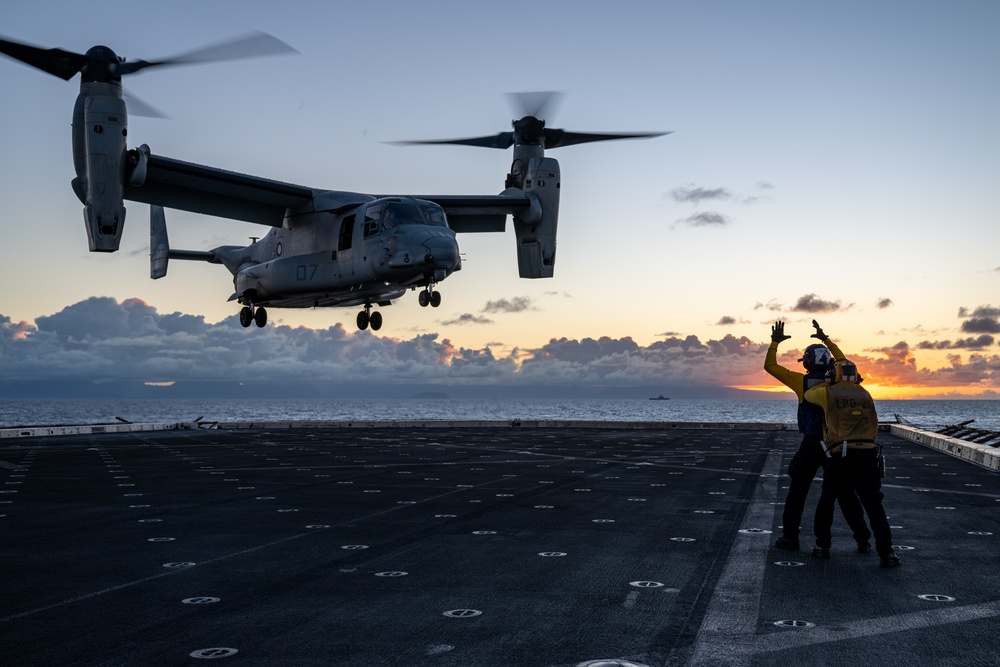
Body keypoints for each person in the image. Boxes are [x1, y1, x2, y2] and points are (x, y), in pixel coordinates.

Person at [764, 320, 871, 552]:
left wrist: (775, 342)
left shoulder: (801, 381)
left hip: (813, 441)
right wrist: (826, 339)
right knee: (845, 492)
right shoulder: (839, 379)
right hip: (836, 442)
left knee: (798, 489)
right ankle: (862, 538)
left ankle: (791, 537)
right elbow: (844, 361)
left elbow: (770, 366)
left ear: (808, 363)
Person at [805, 359, 901, 567]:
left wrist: (827, 382)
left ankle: (823, 546)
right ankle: (887, 552)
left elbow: (808, 395)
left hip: (842, 454)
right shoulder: (865, 393)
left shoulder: (828, 392)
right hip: (868, 453)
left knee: (827, 500)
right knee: (874, 504)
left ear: (834, 374)